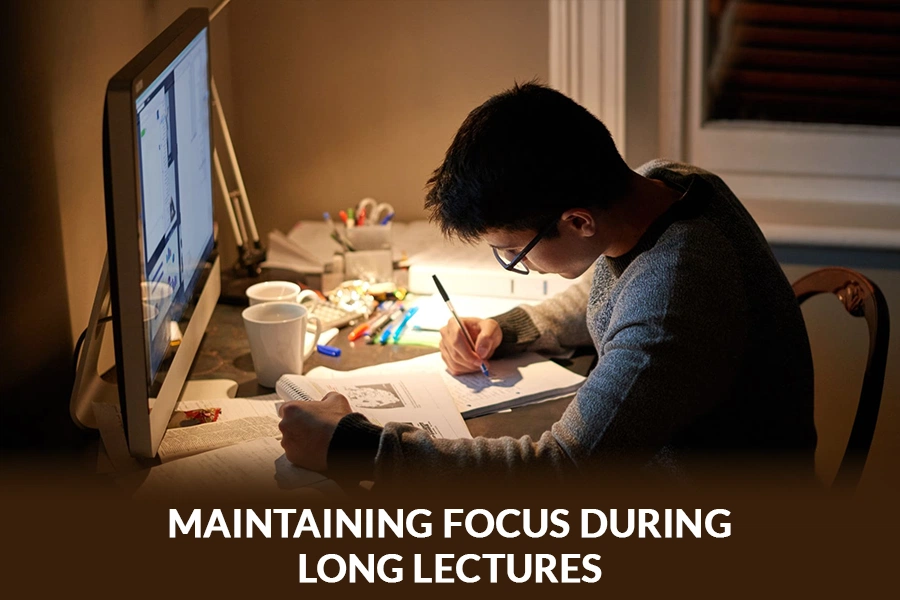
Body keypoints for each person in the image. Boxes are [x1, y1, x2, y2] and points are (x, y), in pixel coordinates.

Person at [278, 82, 817, 486]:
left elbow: (564, 468)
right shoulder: (666, 185)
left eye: (516, 252)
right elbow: (617, 283)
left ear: (578, 221)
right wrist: (512, 327)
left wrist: (357, 449)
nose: (518, 266)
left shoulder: (674, 301)